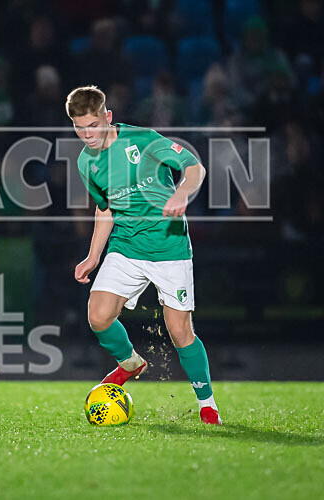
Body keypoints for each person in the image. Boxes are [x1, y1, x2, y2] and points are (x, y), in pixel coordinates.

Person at [66, 85, 221, 425]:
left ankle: (207, 403)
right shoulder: (85, 162)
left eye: (93, 125)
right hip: (127, 246)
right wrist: (93, 256)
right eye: (79, 127)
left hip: (169, 245)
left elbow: (194, 168)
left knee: (180, 331)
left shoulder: (144, 140)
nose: (87, 134)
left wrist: (182, 193)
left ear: (108, 117)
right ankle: (130, 362)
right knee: (98, 315)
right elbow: (104, 209)